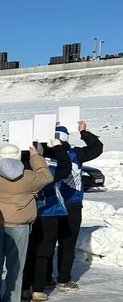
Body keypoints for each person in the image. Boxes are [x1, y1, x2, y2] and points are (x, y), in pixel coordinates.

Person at [0, 143, 52, 302]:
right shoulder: (28, 177)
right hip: (19, 225)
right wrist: (35, 156)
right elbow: (47, 176)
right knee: (16, 267)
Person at [53, 121, 103, 290]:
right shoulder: (76, 154)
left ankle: (43, 279)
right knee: (68, 243)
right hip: (72, 204)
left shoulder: (44, 154)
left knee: (46, 242)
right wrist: (84, 132)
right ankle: (63, 278)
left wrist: (44, 130)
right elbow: (97, 147)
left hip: (51, 204)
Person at [22, 139, 72, 302]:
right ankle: (38, 289)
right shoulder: (48, 172)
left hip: (27, 215)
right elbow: (66, 167)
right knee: (43, 253)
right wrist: (58, 147)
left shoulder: (20, 172)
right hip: (49, 214)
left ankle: (23, 287)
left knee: (27, 251)